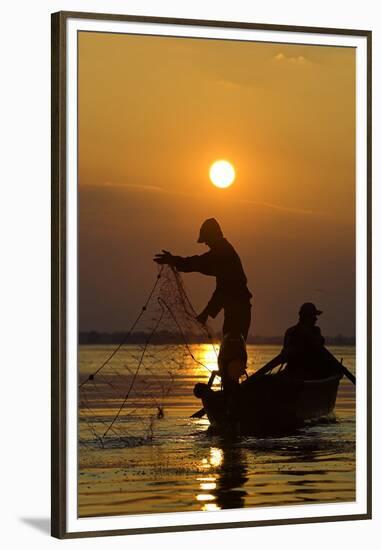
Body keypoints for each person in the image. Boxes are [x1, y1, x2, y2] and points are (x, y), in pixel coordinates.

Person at [154, 218, 252, 340]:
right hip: (236, 309)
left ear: (213, 237)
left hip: (238, 311)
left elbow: (200, 265)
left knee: (233, 348)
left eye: (206, 240)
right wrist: (207, 312)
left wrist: (174, 260)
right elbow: (200, 265)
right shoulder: (223, 251)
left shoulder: (222, 253)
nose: (206, 244)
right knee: (231, 348)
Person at [282, 302, 326, 379]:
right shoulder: (292, 332)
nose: (316, 318)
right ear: (306, 317)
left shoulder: (315, 330)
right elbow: (284, 355)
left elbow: (320, 344)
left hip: (306, 372)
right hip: (301, 373)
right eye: (313, 316)